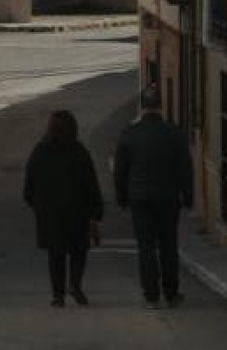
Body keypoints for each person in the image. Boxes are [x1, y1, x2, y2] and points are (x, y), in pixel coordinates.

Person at [112, 85, 194, 309]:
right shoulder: (174, 133)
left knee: (145, 247)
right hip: (167, 198)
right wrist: (188, 196)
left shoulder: (129, 134)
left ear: (141, 107)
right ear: (160, 107)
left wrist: (121, 197)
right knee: (168, 245)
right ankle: (171, 293)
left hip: (139, 198)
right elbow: (185, 168)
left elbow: (120, 170)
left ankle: (151, 296)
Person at [24, 111, 104, 308]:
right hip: (77, 212)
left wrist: (38, 205)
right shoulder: (79, 152)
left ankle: (57, 295)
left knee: (55, 254)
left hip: (50, 214)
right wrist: (95, 212)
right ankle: (75, 284)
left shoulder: (40, 151)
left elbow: (29, 186)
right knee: (79, 251)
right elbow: (91, 184)